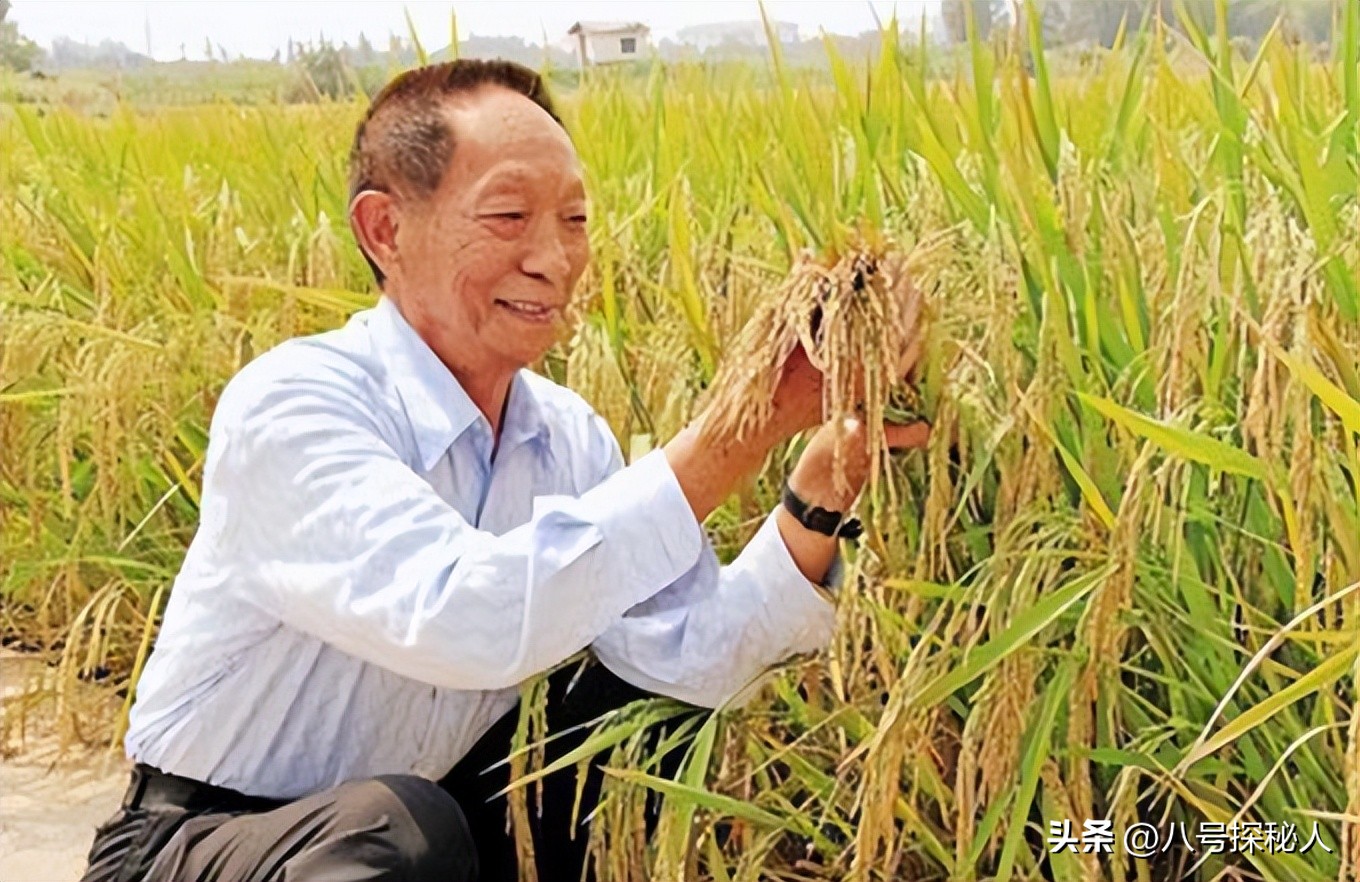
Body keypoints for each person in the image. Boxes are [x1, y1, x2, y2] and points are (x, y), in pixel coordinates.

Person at [80, 59, 928, 882]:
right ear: (386, 229)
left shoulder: (564, 438)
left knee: (621, 723)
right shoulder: (295, 406)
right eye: (509, 217)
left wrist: (821, 488)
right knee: (400, 829)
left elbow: (692, 657)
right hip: (203, 843)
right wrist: (742, 428)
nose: (553, 260)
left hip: (410, 828)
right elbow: (463, 616)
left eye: (575, 220)